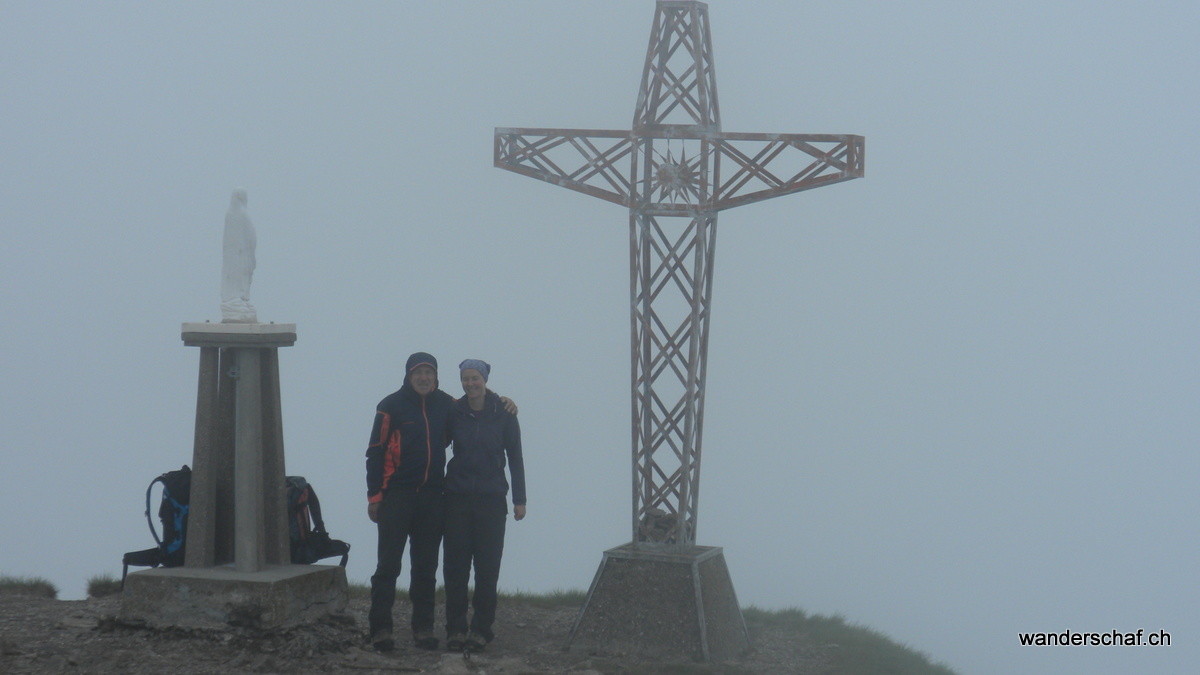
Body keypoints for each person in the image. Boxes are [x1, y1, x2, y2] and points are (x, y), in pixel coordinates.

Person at [364, 352, 517, 653]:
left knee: (425, 567)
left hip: (434, 497)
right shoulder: (390, 405)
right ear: (408, 375)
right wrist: (375, 496)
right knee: (388, 565)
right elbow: (374, 452)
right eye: (418, 372)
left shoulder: (446, 405)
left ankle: (423, 629)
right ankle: (380, 628)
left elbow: (479, 401)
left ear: (436, 377)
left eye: (429, 373)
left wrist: (505, 401)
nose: (424, 378)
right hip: (397, 495)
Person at [442, 359, 526, 653]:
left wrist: (519, 499)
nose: (470, 384)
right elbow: (438, 442)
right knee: (455, 568)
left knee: (487, 569)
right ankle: (455, 629)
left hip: (492, 501)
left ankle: (480, 630)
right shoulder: (454, 411)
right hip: (456, 499)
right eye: (465, 379)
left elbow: (515, 456)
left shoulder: (503, 412)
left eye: (475, 378)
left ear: (485, 379)